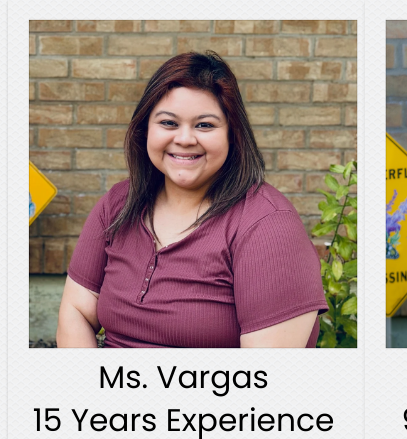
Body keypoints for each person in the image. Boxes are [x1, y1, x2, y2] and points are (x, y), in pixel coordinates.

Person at [54, 52, 327, 348]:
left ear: (232, 134)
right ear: (145, 129)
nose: (184, 139)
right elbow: (76, 312)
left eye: (204, 125)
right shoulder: (119, 204)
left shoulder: (268, 226)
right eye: (168, 123)